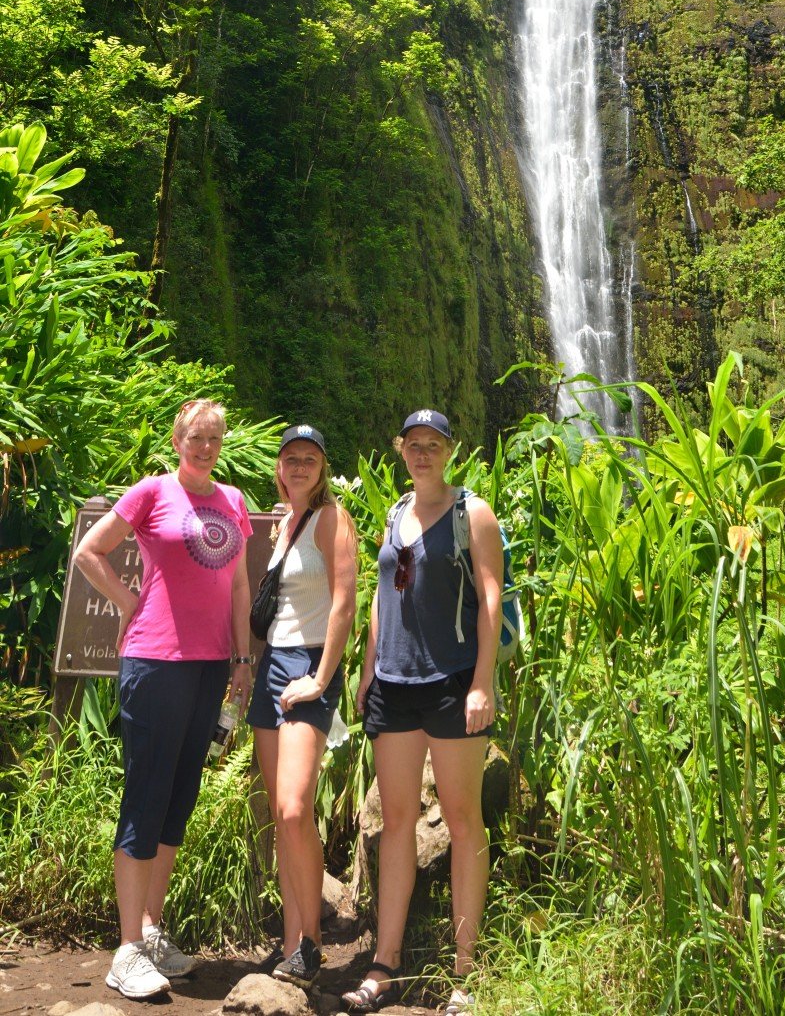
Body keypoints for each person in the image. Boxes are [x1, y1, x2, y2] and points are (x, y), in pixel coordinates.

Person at [74, 398, 252, 1001]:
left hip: (208, 668)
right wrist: (129, 603)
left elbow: (238, 584)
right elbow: (89, 552)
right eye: (195, 436)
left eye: (214, 438)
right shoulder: (151, 492)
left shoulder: (232, 501)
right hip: (156, 661)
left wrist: (242, 659)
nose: (205, 447)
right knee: (146, 796)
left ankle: (150, 930)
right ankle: (125, 950)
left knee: (179, 799)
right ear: (178, 439)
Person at [345, 408, 503, 1016]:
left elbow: (490, 597)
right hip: (394, 683)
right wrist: (366, 672)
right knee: (397, 824)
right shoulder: (394, 513)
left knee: (463, 821)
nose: (423, 453)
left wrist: (482, 682)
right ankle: (384, 963)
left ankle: (467, 972)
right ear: (400, 449)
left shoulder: (472, 512)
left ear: (449, 450)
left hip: (453, 682)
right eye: (414, 444)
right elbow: (385, 597)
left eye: (433, 444)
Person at [247, 424, 358, 990]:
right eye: (291, 458)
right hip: (272, 666)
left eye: (310, 459)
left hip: (308, 667)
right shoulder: (283, 522)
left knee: (294, 809)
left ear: (322, 468)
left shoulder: (333, 520)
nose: (299, 466)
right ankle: (292, 945)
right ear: (279, 468)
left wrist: (321, 678)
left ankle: (310, 942)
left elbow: (344, 603)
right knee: (279, 816)